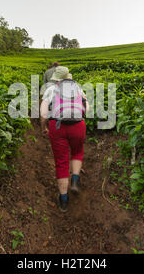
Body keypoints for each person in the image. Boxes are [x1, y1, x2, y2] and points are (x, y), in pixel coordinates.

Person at [40, 66, 89, 213]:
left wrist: (44, 127)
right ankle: (75, 179)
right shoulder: (78, 88)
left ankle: (64, 200)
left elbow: (43, 113)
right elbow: (87, 109)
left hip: (57, 126)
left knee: (61, 161)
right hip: (78, 125)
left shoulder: (51, 89)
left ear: (56, 79)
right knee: (77, 151)